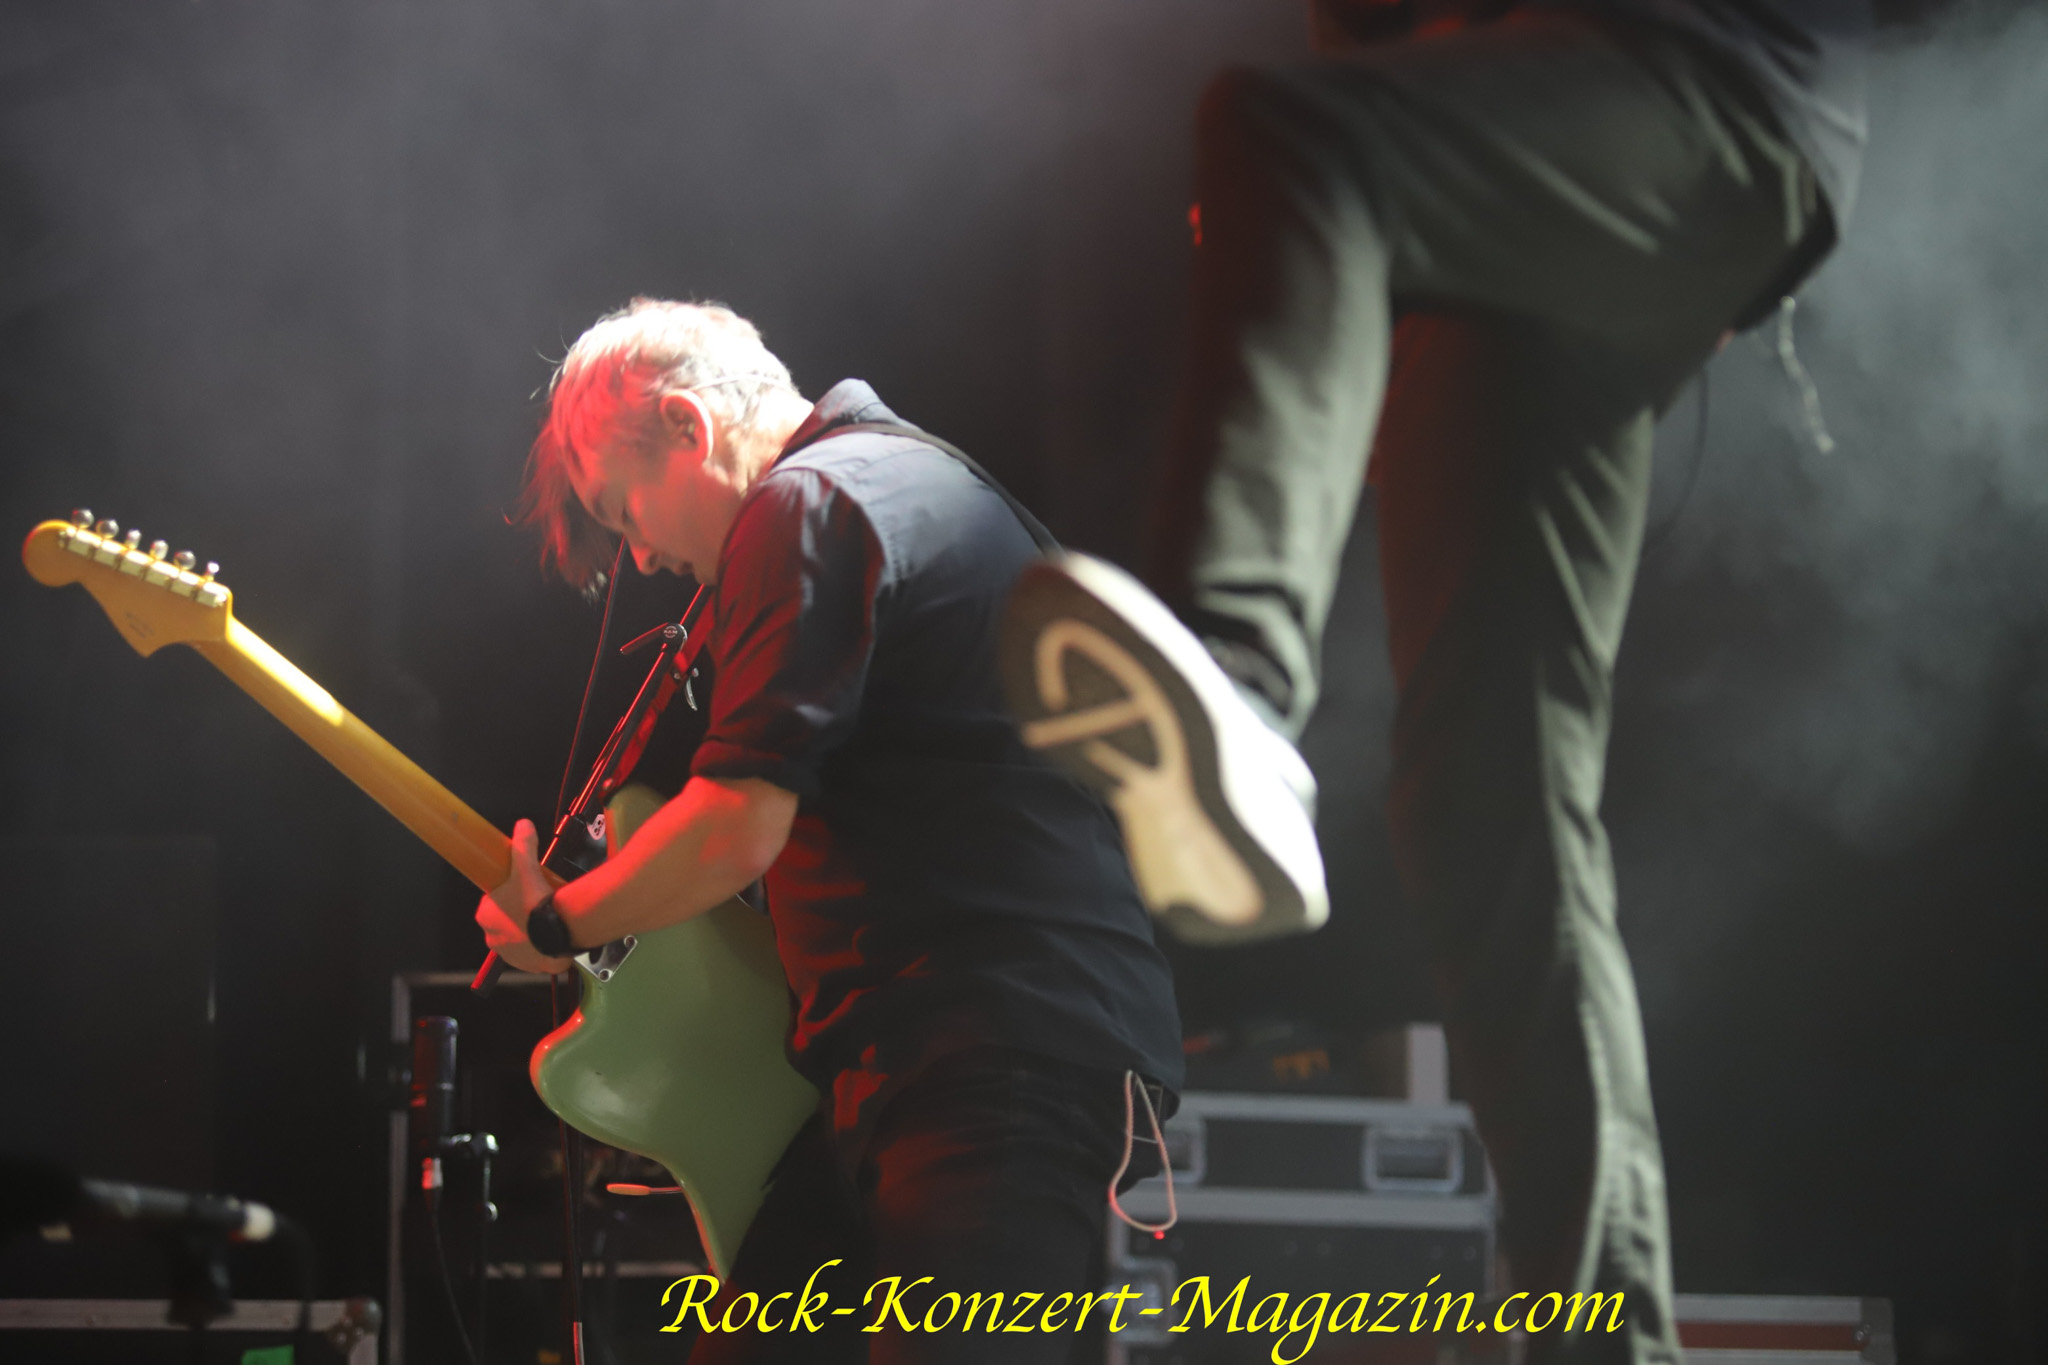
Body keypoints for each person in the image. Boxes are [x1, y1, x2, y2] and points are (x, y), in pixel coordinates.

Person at [1001, 2, 1869, 1361]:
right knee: (1486, 800)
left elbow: (1341, 133)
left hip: (1704, 93)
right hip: (1521, 240)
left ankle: (1236, 675)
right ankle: (1608, 1338)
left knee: (1289, 134)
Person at [477, 299, 1184, 1364]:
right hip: (926, 1061)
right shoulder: (884, 482)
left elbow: (736, 826)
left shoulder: (808, 501)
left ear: (686, 425)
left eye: (626, 513)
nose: (643, 558)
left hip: (988, 1060)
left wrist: (559, 921)